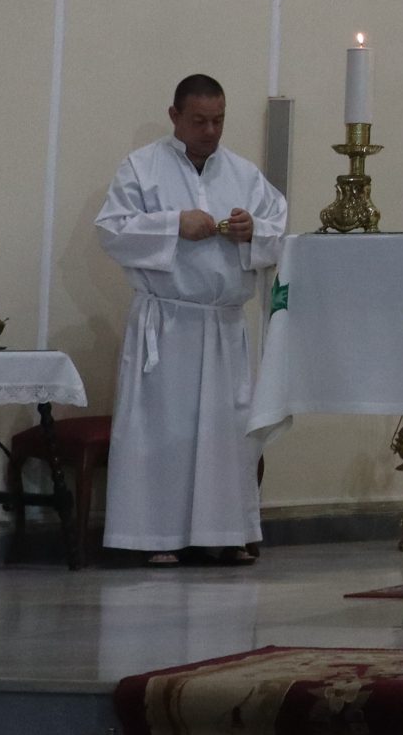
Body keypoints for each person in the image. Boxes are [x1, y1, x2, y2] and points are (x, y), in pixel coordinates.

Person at [96, 74, 286, 564]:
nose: (210, 131)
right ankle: (156, 539)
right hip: (167, 323)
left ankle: (223, 534)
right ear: (175, 116)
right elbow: (112, 231)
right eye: (199, 121)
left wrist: (253, 231)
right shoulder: (142, 168)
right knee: (164, 433)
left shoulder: (243, 174)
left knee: (226, 434)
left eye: (218, 120)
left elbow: (280, 231)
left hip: (222, 324)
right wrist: (173, 224)